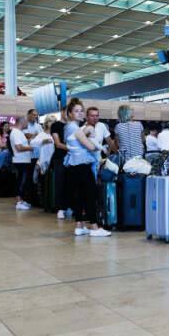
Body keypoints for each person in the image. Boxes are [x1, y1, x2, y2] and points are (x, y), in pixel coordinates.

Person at [63, 98, 111, 237]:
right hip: (82, 166)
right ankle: (94, 227)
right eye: (76, 111)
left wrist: (87, 134)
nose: (79, 113)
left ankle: (79, 225)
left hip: (73, 165)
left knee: (80, 196)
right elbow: (90, 146)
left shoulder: (69, 127)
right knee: (90, 195)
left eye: (81, 111)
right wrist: (92, 138)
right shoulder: (75, 128)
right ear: (70, 114)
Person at [10, 116, 35, 210]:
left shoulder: (19, 132)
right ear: (21, 122)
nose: (27, 124)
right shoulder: (16, 133)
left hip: (24, 160)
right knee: (21, 181)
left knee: (23, 181)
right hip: (20, 161)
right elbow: (19, 148)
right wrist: (31, 147)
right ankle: (18, 201)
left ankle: (22, 200)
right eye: (26, 122)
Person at [50, 109, 69, 219]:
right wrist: (72, 148)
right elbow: (58, 144)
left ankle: (69, 206)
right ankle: (60, 208)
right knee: (60, 183)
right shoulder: (56, 125)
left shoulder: (74, 125)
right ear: (62, 112)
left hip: (72, 158)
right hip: (60, 157)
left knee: (70, 183)